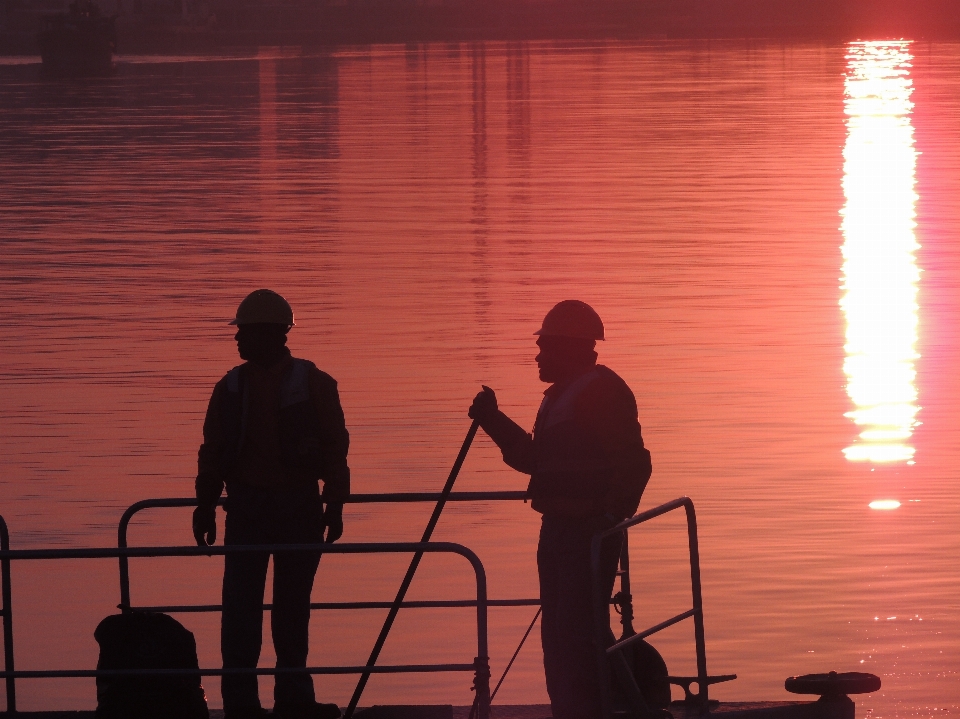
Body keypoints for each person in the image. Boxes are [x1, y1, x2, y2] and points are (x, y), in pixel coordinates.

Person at [468, 300, 652, 719]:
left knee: (577, 634)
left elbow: (635, 464)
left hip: (586, 532)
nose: (537, 356)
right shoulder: (561, 397)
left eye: (545, 347)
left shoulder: (602, 393)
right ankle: (569, 710)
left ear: (569, 347)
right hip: (557, 531)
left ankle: (590, 710)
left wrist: (607, 520)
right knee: (558, 636)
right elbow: (536, 460)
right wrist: (492, 421)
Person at [193, 289, 349, 719]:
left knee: (291, 612)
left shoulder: (315, 384)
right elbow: (213, 449)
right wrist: (205, 504)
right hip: (246, 509)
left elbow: (336, 449)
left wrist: (334, 503)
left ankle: (293, 700)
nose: (238, 340)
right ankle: (241, 703)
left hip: (299, 508)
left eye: (244, 332)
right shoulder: (229, 387)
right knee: (239, 612)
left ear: (272, 335)